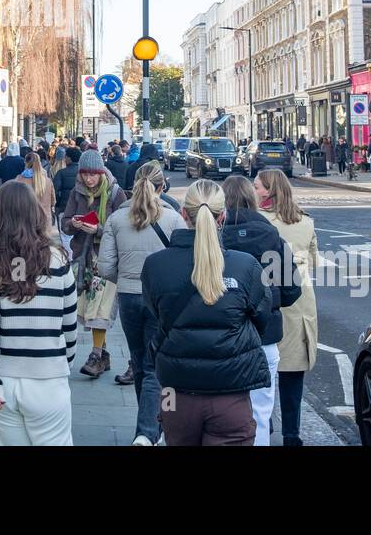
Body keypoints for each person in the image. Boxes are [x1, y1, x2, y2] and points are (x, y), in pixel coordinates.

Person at [140, 179, 272, 446]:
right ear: (222, 216)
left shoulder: (155, 265)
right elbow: (262, 318)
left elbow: (157, 314)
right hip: (231, 392)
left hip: (174, 392)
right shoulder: (245, 266)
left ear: (182, 214)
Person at [0, 182, 77, 446]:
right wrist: (63, 364)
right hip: (49, 378)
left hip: (4, 379)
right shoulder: (59, 261)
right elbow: (70, 324)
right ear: (36, 214)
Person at [99, 161, 186, 443]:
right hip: (162, 299)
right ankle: (148, 431)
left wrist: (125, 278)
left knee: (139, 362)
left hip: (128, 296)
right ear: (163, 186)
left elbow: (104, 267)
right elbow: (183, 261)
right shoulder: (174, 220)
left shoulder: (116, 219)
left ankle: (147, 424)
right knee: (153, 367)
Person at [220, 175, 301, 446]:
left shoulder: (217, 236)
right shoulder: (272, 235)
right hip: (264, 337)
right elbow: (292, 290)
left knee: (223, 413)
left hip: (224, 336)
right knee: (261, 412)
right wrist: (268, 299)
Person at [254, 168, 318, 446]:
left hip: (270, 305)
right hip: (300, 304)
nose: (253, 190)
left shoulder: (259, 223)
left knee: (264, 378)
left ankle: (264, 432)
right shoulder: (305, 221)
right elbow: (312, 262)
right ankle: (292, 436)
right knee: (292, 378)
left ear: (268, 190)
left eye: (256, 186)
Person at [61, 150, 128, 377]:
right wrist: (75, 224)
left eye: (93, 174)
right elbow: (64, 222)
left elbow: (123, 226)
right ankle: (104, 354)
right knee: (89, 308)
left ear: (101, 173)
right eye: (85, 174)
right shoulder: (76, 192)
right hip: (83, 257)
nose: (89, 179)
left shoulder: (115, 193)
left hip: (105, 257)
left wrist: (98, 229)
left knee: (101, 307)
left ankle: (96, 355)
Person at [16, 151, 56, 221]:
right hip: (44, 218)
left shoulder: (19, 180)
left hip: (25, 219)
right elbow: (53, 201)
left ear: (26, 163)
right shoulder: (48, 181)